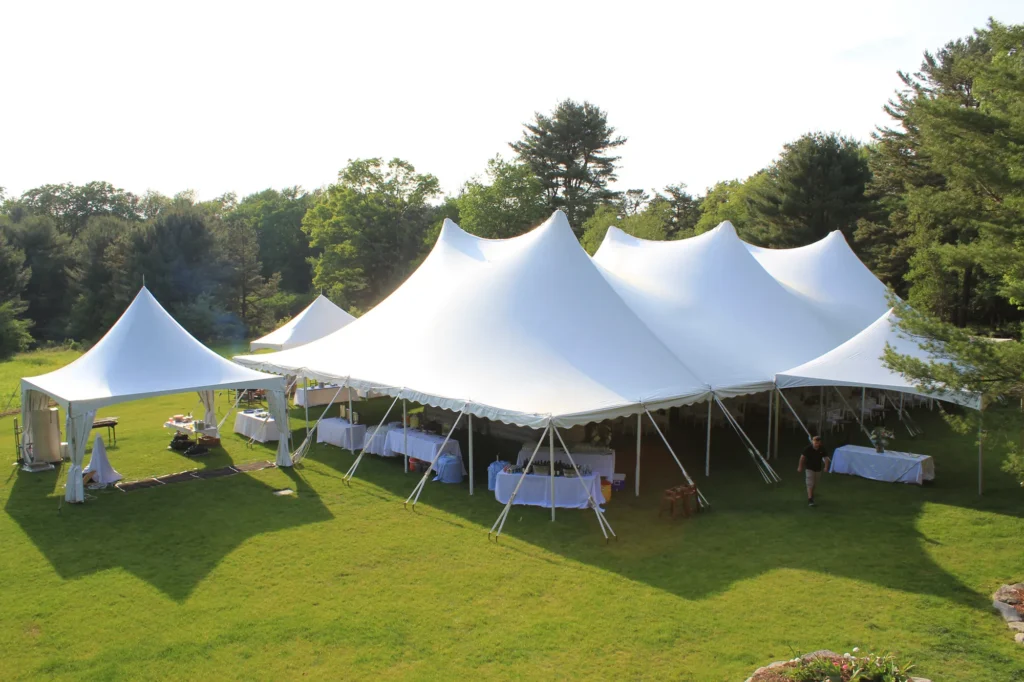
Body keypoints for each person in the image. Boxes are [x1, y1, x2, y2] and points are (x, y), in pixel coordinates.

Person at [797, 435, 830, 507]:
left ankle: (811, 494)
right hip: (809, 468)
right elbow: (802, 458)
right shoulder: (808, 449)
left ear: (820, 443)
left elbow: (826, 458)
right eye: (815, 443)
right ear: (812, 442)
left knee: (815, 483)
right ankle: (810, 499)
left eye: (818, 443)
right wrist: (800, 466)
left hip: (818, 468)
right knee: (810, 483)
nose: (816, 444)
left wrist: (826, 467)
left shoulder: (822, 449)